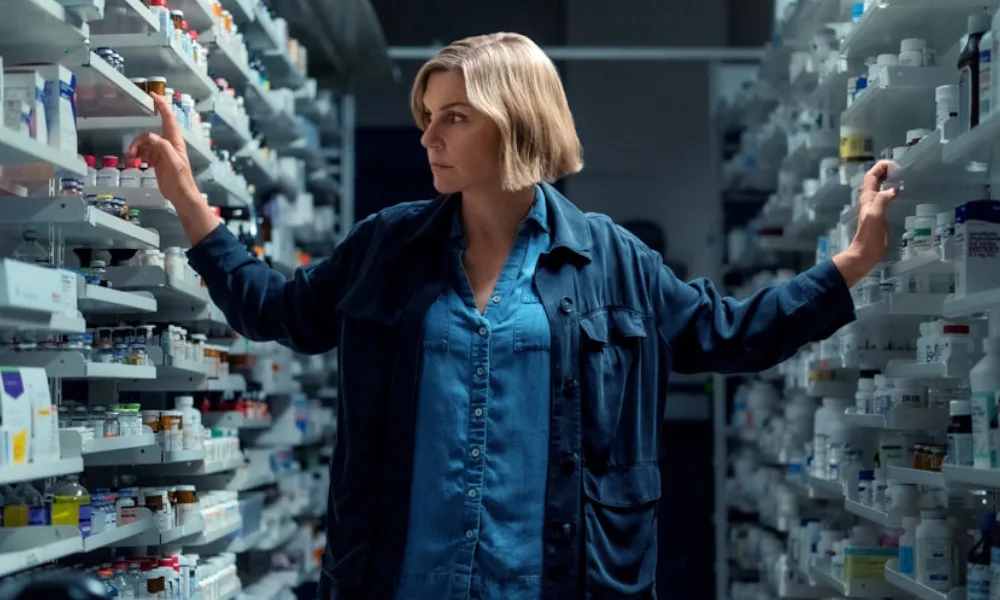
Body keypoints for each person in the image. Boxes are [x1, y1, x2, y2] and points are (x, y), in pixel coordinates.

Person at [128, 32, 896, 600]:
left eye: (454, 117)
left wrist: (850, 264)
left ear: (517, 121)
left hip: (555, 581)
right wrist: (188, 202)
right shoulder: (387, 247)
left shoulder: (611, 260)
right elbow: (279, 312)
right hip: (401, 578)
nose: (428, 136)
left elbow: (727, 334)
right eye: (429, 116)